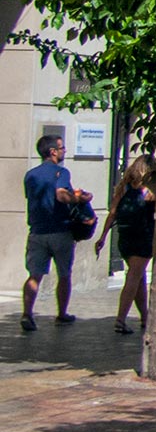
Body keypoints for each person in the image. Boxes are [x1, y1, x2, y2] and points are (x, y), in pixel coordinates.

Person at [21, 134, 88, 332]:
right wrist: (79, 199)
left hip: (37, 231)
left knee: (34, 276)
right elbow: (61, 195)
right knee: (64, 274)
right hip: (60, 230)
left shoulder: (30, 175)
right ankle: (62, 314)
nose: (64, 151)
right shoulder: (62, 172)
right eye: (62, 148)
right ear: (53, 152)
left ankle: (27, 313)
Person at [94, 154, 155, 334]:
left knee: (139, 277)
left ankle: (145, 317)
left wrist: (103, 236)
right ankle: (120, 319)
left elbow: (112, 213)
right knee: (134, 277)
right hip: (143, 237)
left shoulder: (124, 188)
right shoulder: (151, 192)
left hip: (124, 237)